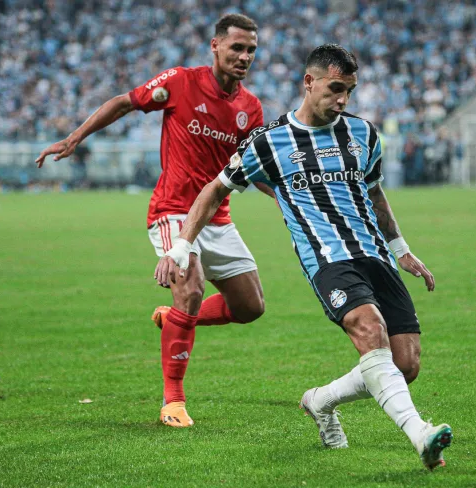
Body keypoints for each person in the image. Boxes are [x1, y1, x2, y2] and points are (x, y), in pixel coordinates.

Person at [155, 44, 452, 471]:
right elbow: (214, 189)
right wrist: (182, 244)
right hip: (328, 257)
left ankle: (320, 401)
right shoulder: (270, 142)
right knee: (370, 329)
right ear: (309, 83)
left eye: (349, 90)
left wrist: (401, 248)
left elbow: (374, 191)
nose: (343, 99)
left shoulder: (363, 134)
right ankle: (420, 434)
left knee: (405, 364)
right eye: (335, 88)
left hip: (375, 254)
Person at [35, 13, 268, 428]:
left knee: (250, 307)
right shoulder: (180, 81)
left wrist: (288, 197)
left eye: (251, 49)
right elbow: (125, 102)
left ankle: (173, 317)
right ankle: (172, 402)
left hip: (218, 217)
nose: (244, 56)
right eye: (236, 47)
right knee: (192, 288)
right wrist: (76, 137)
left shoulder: (250, 108)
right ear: (215, 46)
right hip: (172, 211)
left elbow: (251, 168)